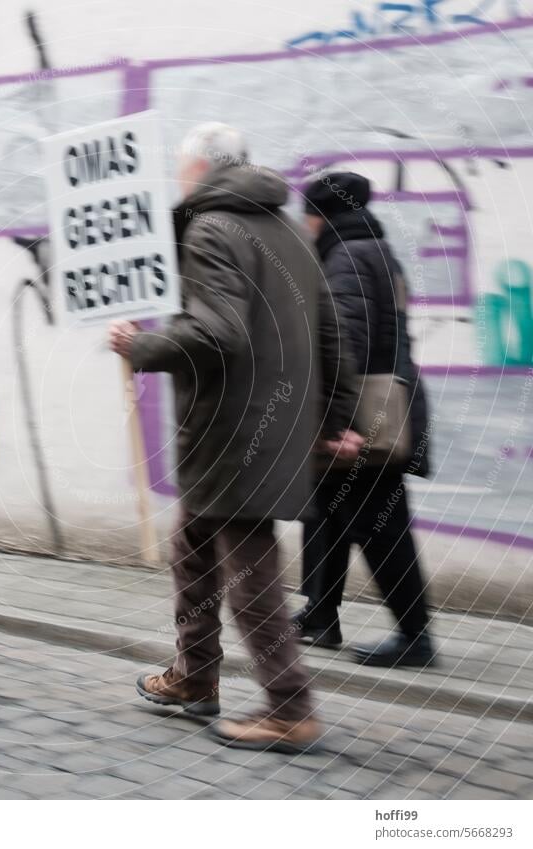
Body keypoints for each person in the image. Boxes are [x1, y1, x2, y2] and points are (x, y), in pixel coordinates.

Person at [108, 123, 327, 752]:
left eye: (181, 169)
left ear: (199, 168)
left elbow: (217, 333)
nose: (179, 180)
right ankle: (195, 675)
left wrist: (140, 345)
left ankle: (289, 706)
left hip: (233, 434)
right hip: (279, 426)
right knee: (192, 549)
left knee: (251, 574)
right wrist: (335, 419)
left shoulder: (209, 229)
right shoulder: (290, 232)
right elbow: (331, 334)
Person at [295, 171, 435, 668]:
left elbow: (345, 344)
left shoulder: (349, 257)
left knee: (379, 524)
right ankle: (319, 617)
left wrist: (333, 424)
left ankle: (416, 638)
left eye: (305, 215)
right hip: (377, 406)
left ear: (321, 216)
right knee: (326, 512)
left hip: (367, 415)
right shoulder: (372, 249)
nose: (302, 225)